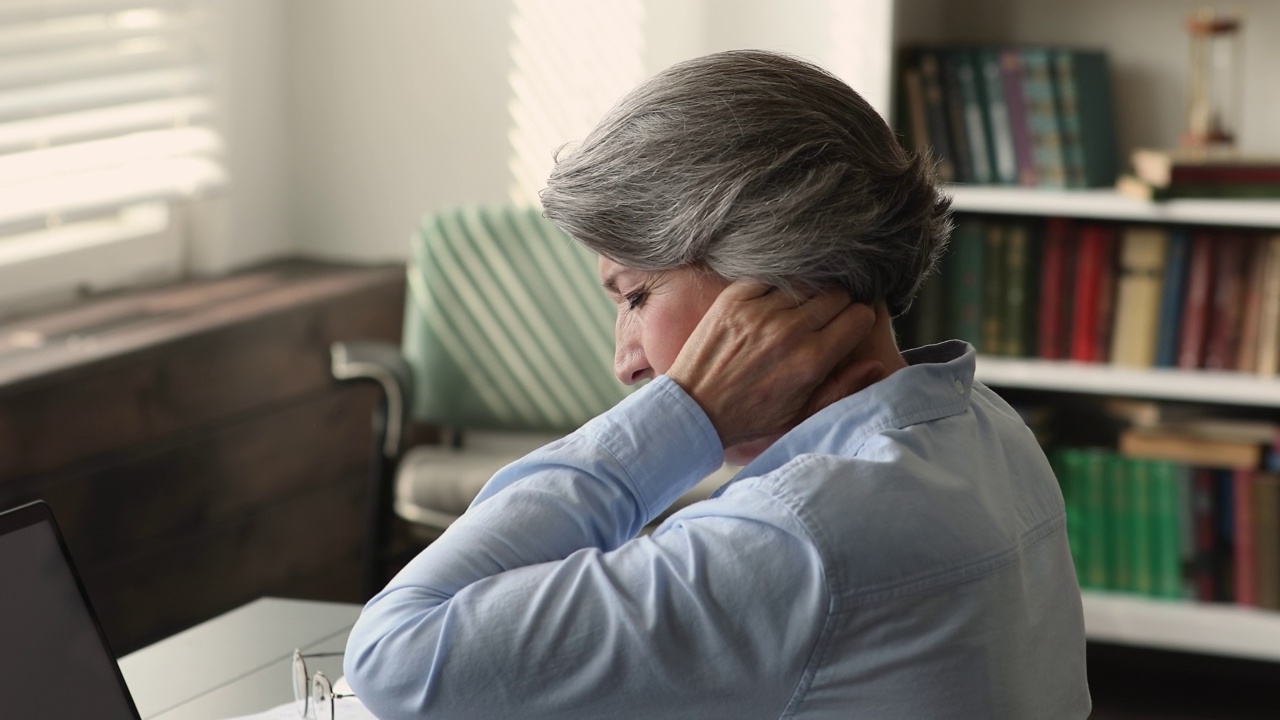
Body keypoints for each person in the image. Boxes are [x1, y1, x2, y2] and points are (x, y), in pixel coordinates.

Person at [344, 49, 1090, 719]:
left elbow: (397, 655)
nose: (626, 363)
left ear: (769, 280)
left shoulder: (797, 540)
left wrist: (683, 413)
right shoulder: (989, 429)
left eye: (636, 296)